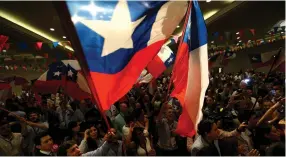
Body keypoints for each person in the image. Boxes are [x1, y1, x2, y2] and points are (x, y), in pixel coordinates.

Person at [191, 119, 257, 156]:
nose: (219, 131)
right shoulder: (197, 148)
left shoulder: (216, 136)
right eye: (215, 130)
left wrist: (238, 129)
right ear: (207, 133)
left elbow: (229, 134)